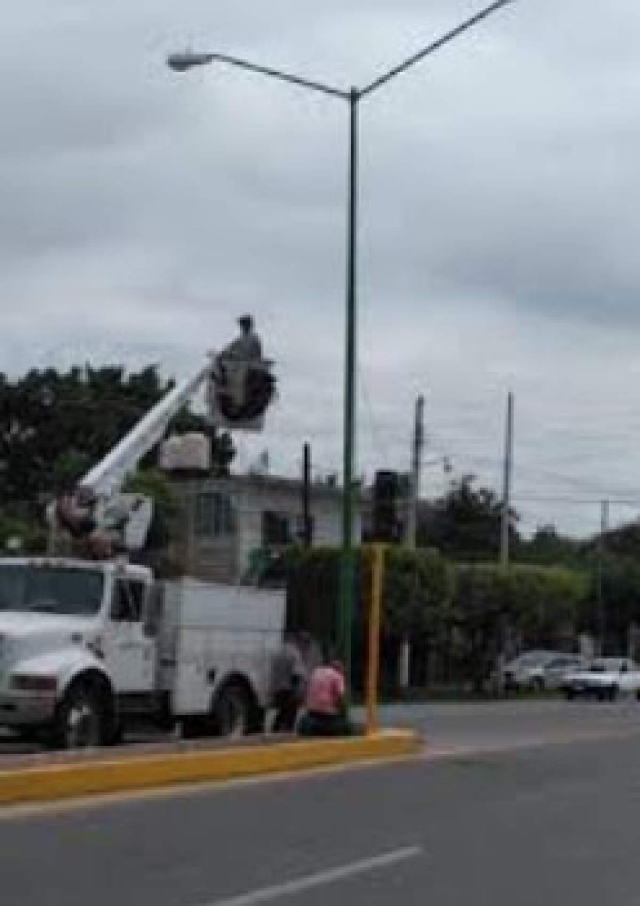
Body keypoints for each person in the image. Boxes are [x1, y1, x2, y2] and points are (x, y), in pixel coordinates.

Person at [218, 315, 264, 412]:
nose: (242, 327)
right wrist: (221, 354)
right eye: (241, 324)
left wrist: (240, 357)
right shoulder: (240, 338)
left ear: (249, 325)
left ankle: (238, 404)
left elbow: (256, 354)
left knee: (239, 379)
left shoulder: (254, 338)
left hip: (248, 365)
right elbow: (229, 348)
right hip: (237, 364)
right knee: (225, 373)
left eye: (243, 324)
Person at [297, 659, 351, 738]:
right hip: (326, 712)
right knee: (344, 723)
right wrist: (344, 710)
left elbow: (307, 688)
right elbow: (341, 696)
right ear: (340, 669)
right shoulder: (337, 675)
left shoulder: (316, 672)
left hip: (311, 709)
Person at [271, 633, 307, 734]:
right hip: (288, 689)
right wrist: (296, 692)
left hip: (278, 688)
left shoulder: (280, 651)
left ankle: (274, 732)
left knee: (282, 712)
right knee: (290, 715)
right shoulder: (295, 653)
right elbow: (296, 674)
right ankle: (287, 733)